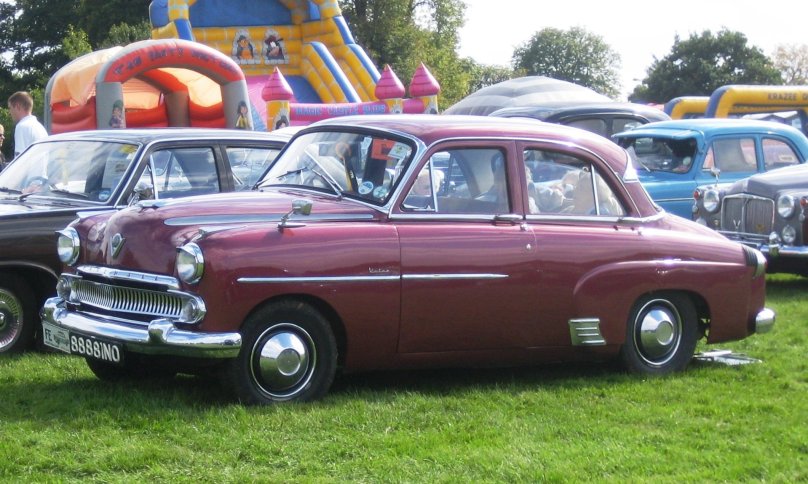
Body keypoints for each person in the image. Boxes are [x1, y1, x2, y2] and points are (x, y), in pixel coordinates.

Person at [8, 91, 47, 158]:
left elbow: (20, 159)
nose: (9, 112)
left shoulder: (22, 127)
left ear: (18, 106)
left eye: (10, 108)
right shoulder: (39, 127)